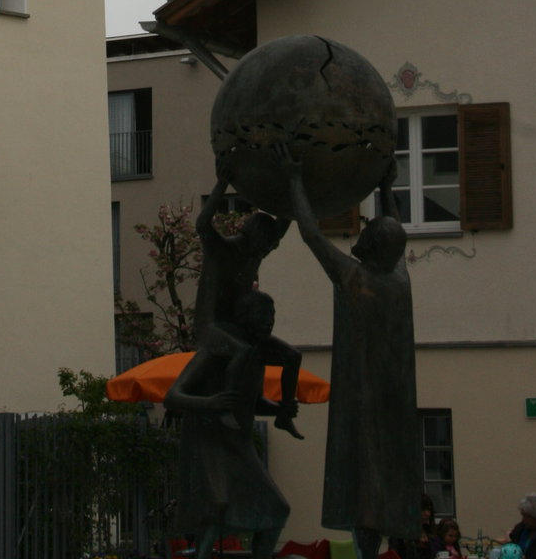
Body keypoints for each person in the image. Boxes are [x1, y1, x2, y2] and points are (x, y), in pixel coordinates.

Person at [277, 147, 420, 559]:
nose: (360, 235)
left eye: (366, 234)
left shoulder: (356, 278)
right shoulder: (398, 278)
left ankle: (371, 550)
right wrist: (387, 187)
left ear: (370, 247)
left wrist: (294, 180)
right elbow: (395, 231)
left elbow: (311, 234)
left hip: (365, 399)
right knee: (387, 484)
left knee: (366, 486)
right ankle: (393, 544)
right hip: (395, 401)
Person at [165, 288, 296, 559]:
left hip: (239, 442)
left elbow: (253, 402)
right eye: (263, 315)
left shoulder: (257, 352)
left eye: (272, 316)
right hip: (209, 441)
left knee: (277, 509)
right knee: (218, 506)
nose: (270, 322)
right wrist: (211, 403)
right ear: (245, 317)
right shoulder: (217, 348)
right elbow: (173, 396)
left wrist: (281, 409)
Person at [194, 162, 301, 438]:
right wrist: (220, 186)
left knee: (292, 356)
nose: (268, 250)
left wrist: (290, 180)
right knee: (243, 351)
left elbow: (283, 223)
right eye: (266, 245)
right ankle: (227, 407)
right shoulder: (223, 249)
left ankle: (285, 413)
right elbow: (202, 223)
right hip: (211, 326)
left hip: (239, 326)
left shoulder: (256, 250)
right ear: (252, 237)